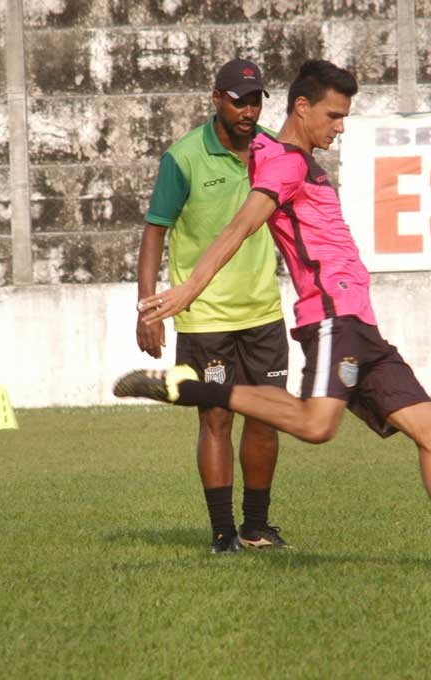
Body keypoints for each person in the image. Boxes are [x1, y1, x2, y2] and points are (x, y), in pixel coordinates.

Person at [116, 59, 431, 573]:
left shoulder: (283, 152)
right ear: (303, 107)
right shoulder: (285, 165)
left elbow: (251, 140)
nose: (340, 127)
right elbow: (237, 229)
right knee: (318, 426)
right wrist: (187, 289)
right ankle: (190, 389)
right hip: (332, 320)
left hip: (363, 328)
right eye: (334, 115)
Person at [134, 58, 291, 554]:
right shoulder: (182, 158)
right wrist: (149, 309)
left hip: (264, 311)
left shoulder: (272, 150)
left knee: (268, 417)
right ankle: (223, 533)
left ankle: (256, 525)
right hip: (204, 318)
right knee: (217, 419)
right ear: (216, 99)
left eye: (255, 100)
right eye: (238, 99)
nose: (248, 110)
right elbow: (154, 232)